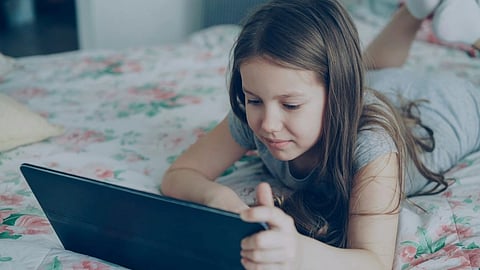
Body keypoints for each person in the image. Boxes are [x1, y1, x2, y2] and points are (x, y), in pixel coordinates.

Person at [161, 0, 480, 269]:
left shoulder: (373, 147)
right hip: (386, 88)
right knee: (372, 74)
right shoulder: (257, 111)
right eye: (254, 99)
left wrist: (298, 251)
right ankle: (414, 9)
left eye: (290, 104)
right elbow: (180, 175)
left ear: (338, 95)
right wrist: (219, 198)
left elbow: (374, 262)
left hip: (453, 106)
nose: (268, 123)